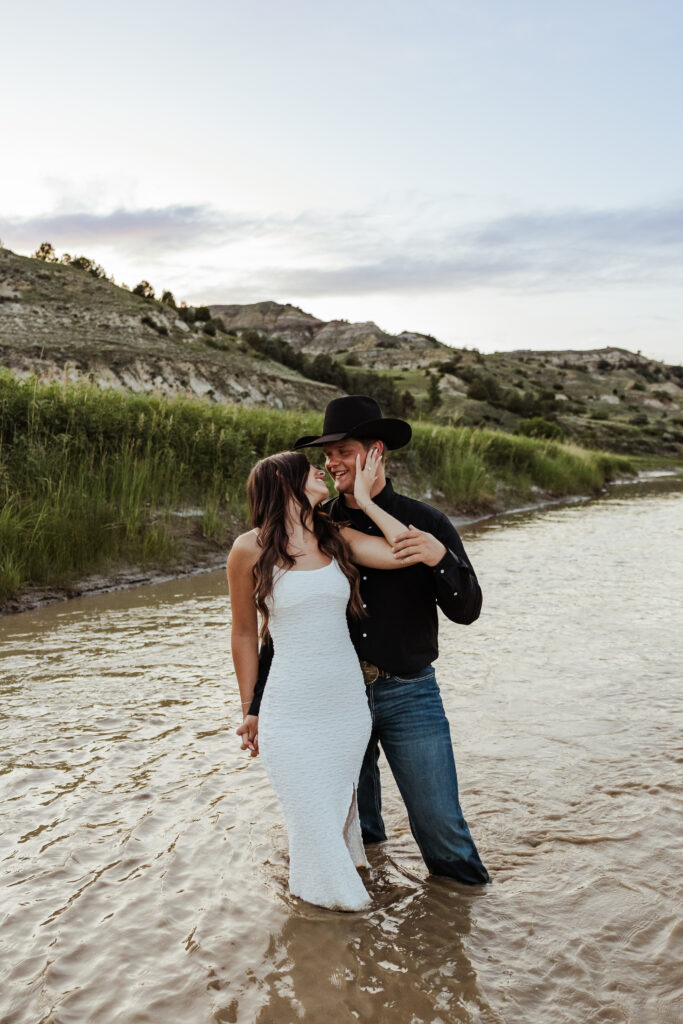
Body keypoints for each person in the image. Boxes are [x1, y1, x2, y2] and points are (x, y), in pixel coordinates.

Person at [242, 396, 490, 886]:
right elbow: (283, 626)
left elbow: (467, 610)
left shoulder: (427, 522)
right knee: (360, 829)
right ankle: (367, 928)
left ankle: (467, 919)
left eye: (343, 451)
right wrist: (254, 703)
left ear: (376, 453)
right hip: (334, 700)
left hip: (410, 693)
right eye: (327, 455)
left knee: (442, 828)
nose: (331, 463)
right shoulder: (316, 525)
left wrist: (441, 556)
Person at [227, 446, 424, 911]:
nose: (322, 470)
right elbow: (242, 634)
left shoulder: (334, 535)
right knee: (312, 820)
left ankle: (329, 927)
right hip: (288, 712)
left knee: (334, 816)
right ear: (284, 484)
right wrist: (249, 709)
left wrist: (367, 499)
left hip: (345, 710)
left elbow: (404, 552)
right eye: (309, 469)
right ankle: (345, 912)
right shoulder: (249, 548)